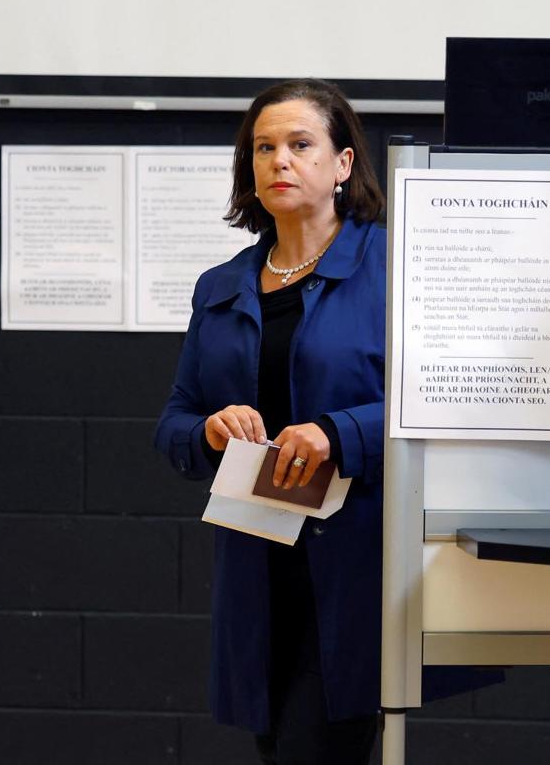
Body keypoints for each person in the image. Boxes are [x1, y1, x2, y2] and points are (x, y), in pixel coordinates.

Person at [155, 78, 389, 764]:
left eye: (299, 144)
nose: (279, 161)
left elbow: (441, 406)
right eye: (263, 148)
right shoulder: (221, 286)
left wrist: (339, 432)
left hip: (354, 569)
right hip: (257, 567)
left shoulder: (394, 267)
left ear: (343, 164)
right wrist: (209, 430)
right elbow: (173, 422)